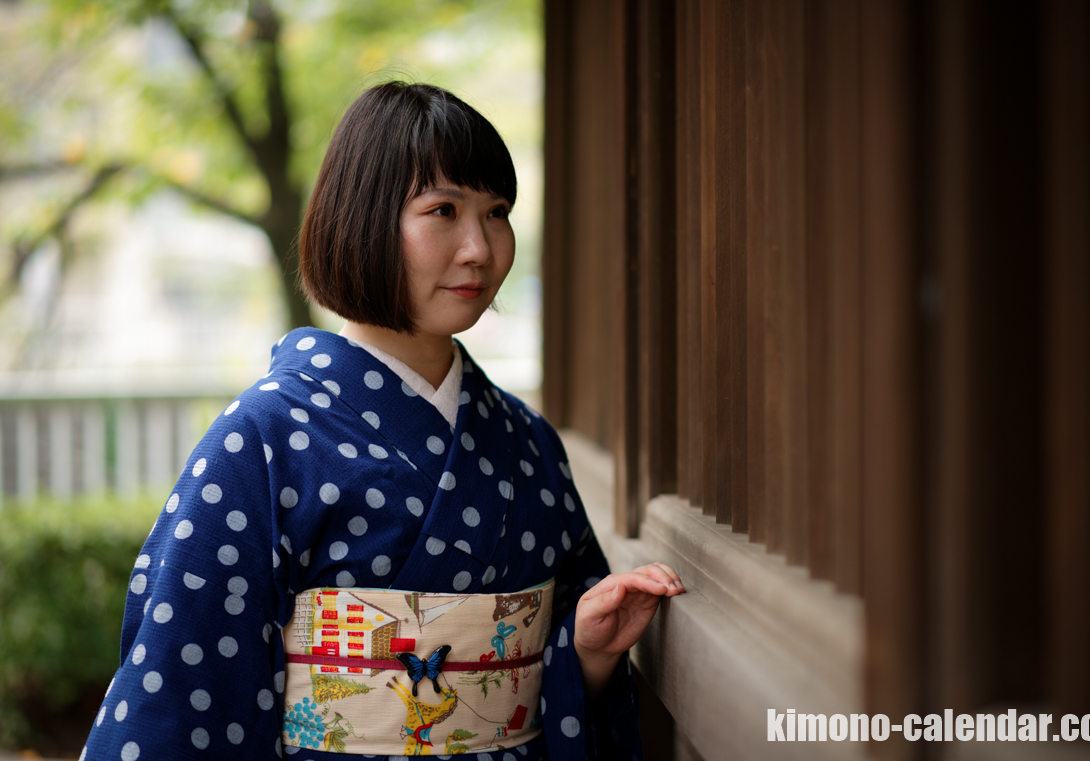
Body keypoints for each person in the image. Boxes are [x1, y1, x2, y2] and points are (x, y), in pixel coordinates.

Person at [81, 81, 683, 761]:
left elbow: (558, 660)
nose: (480, 248)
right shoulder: (265, 436)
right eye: (444, 210)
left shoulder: (524, 440)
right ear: (361, 218)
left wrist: (590, 650)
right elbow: (184, 684)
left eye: (497, 212)